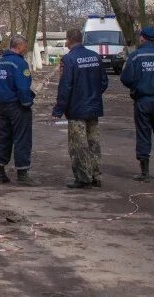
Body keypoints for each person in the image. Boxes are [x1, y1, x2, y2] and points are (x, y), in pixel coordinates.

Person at [52, 28, 108, 189]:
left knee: (78, 145)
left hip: (77, 109)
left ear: (69, 39)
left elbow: (65, 87)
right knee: (94, 143)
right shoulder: (95, 56)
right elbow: (104, 82)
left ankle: (83, 178)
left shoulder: (69, 59)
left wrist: (58, 109)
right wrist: (93, 95)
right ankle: (96, 175)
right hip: (94, 107)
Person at [119, 26, 154, 182]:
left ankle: (145, 173)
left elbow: (126, 78)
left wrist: (136, 86)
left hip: (142, 101)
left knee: (143, 133)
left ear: (142, 38)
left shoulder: (135, 56)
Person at [0, 35, 36, 185]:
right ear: (20, 46)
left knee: (4, 138)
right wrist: (27, 103)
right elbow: (23, 87)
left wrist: (1, 100)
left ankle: (0, 172)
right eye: (25, 46)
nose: (26, 49)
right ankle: (22, 174)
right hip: (18, 106)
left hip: (3, 106)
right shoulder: (19, 63)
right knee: (22, 139)